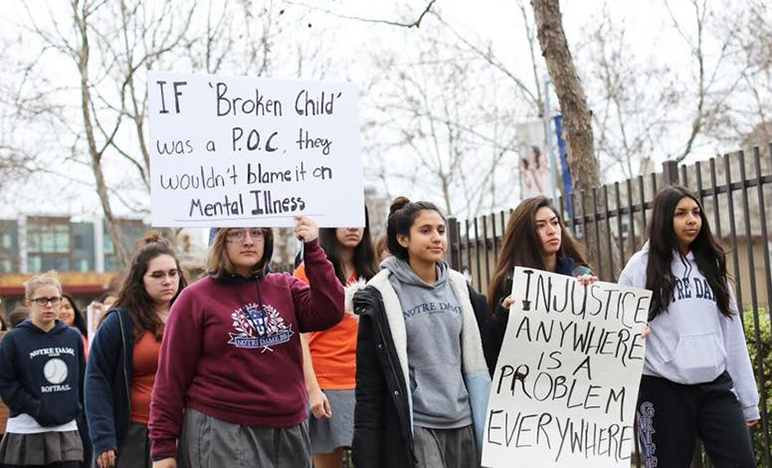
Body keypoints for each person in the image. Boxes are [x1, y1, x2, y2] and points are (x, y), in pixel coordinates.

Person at [148, 217, 344, 468]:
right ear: (220, 239)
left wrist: (313, 248)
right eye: (237, 233)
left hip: (288, 429)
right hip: (223, 429)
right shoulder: (194, 299)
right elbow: (170, 379)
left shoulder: (285, 287)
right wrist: (163, 450)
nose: (249, 241)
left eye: (257, 233)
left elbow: (330, 309)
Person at [619, 185, 758, 467]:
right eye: (680, 214)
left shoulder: (711, 265)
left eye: (695, 212)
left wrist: (748, 398)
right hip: (661, 391)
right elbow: (619, 330)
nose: (691, 220)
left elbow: (731, 332)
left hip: (715, 389)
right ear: (663, 220)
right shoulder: (639, 268)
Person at [351, 197, 490, 468]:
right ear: (403, 239)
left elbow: (488, 346)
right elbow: (369, 383)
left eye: (440, 230)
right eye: (425, 231)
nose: (436, 237)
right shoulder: (381, 296)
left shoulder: (461, 288)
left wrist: (507, 312)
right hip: (420, 425)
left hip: (464, 420)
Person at [85, 232, 187, 468]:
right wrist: (103, 438)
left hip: (185, 431)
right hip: (135, 434)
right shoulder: (119, 321)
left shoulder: (191, 315)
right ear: (140, 279)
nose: (168, 281)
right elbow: (95, 379)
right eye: (157, 275)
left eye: (173, 274)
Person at [294, 210, 378, 468]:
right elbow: (300, 337)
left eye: (358, 220)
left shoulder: (376, 273)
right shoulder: (307, 272)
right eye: (344, 218)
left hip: (367, 382)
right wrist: (312, 389)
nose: (353, 226)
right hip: (326, 382)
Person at [485, 196, 595, 372]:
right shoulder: (509, 280)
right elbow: (491, 347)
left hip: (574, 379)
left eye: (554, 222)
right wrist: (503, 313)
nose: (551, 231)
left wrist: (594, 295)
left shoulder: (580, 273)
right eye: (540, 226)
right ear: (525, 233)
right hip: (531, 384)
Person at [0, 272, 86, 467]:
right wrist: (36, 407)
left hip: (66, 431)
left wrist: (75, 407)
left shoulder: (72, 337)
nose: (49, 305)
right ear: (29, 302)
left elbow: (82, 379)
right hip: (27, 432)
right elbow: (6, 384)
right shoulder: (14, 339)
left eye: (54, 299)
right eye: (42, 300)